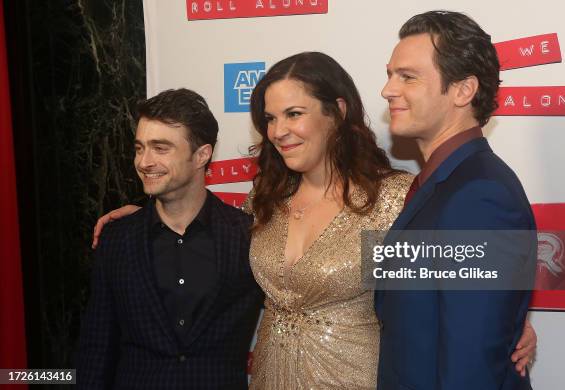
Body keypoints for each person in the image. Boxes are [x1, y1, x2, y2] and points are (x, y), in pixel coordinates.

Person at [91, 54, 536, 388]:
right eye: (269, 118)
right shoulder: (265, 203)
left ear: (338, 111)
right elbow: (204, 243)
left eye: (294, 114)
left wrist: (513, 319)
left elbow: (464, 280)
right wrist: (146, 216)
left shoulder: (394, 199)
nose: (278, 130)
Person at [375, 11, 536, 390]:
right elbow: (413, 301)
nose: (387, 90)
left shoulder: (481, 195)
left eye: (408, 77)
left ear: (463, 90)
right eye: (389, 74)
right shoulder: (439, 185)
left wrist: (506, 315)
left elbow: (472, 366)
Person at [77, 88, 263, 389]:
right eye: (140, 148)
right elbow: (97, 348)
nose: (144, 162)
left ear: (202, 155)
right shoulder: (116, 239)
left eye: (160, 148)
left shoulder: (248, 237)